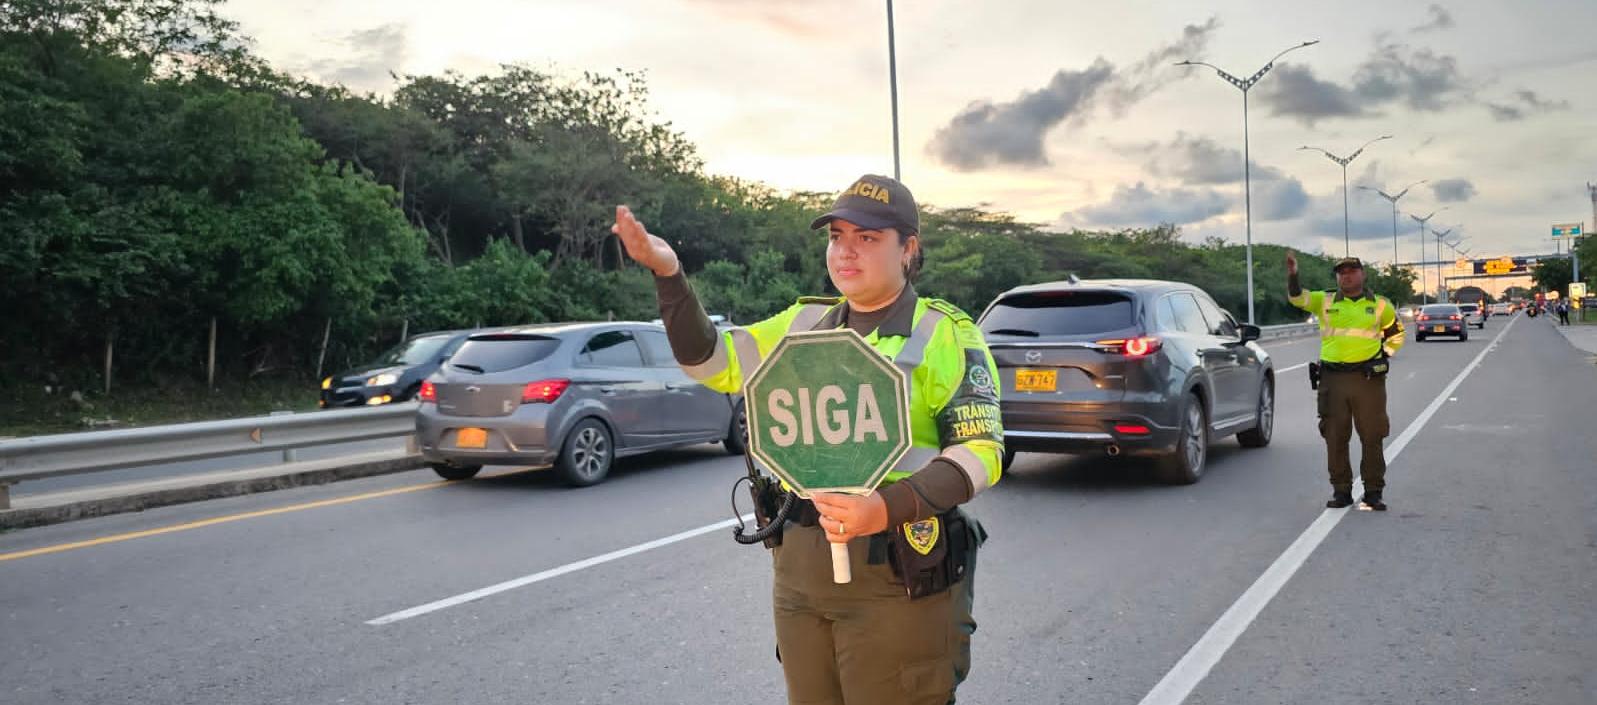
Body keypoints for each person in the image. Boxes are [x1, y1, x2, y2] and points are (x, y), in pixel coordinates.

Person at [611, 174, 1004, 705]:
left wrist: (881, 508)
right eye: (837, 236)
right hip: (800, 572)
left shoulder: (945, 333)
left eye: (868, 238)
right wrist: (670, 275)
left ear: (908, 248)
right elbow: (710, 361)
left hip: (895, 572)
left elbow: (981, 452)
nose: (846, 251)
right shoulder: (804, 322)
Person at [1287, 253, 1405, 511]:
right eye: (1342, 272)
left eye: (1352, 271)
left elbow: (1397, 335)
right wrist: (1293, 275)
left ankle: (1373, 492)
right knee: (1335, 436)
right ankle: (1341, 491)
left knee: (1372, 435)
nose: (1346, 275)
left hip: (1368, 380)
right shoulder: (1325, 301)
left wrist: (1383, 357)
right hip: (1332, 379)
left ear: (1362, 274)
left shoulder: (1381, 305)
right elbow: (1297, 298)